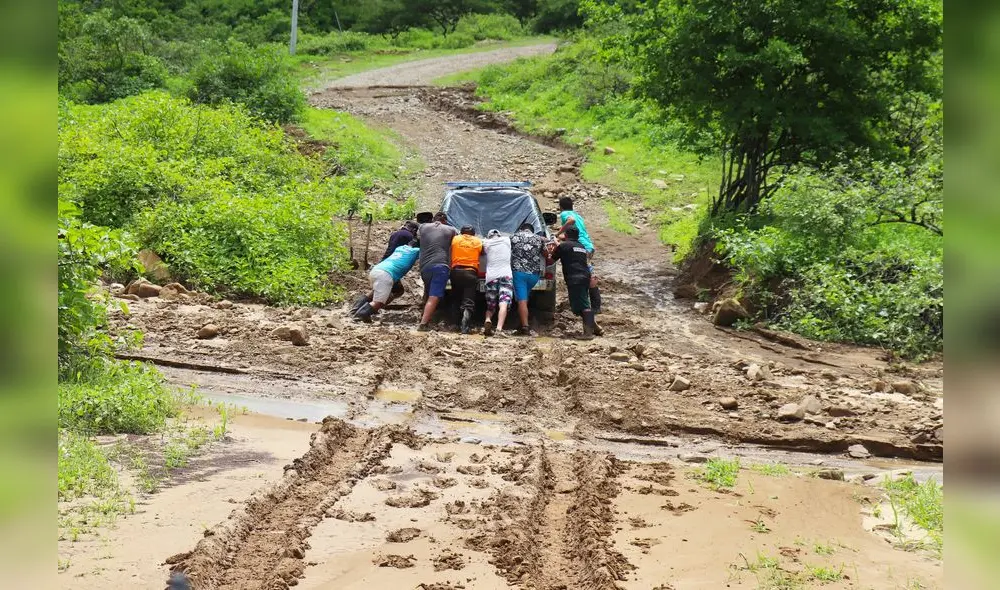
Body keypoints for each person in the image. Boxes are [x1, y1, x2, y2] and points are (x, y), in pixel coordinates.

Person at [351, 220, 418, 316]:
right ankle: (369, 310)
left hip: (384, 263)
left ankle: (356, 309)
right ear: (414, 230)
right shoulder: (409, 236)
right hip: (390, 269)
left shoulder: (395, 234)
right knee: (396, 291)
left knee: (377, 290)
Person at [549, 226, 603, 338]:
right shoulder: (581, 246)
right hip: (585, 276)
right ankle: (595, 328)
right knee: (580, 304)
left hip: (574, 278)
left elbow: (551, 260)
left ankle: (588, 334)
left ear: (566, 235)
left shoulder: (564, 246)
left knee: (583, 305)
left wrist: (548, 251)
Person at [556, 197, 602, 314]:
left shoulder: (565, 214)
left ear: (560, 207)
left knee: (584, 274)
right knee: (587, 272)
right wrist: (560, 237)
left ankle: (590, 307)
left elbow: (570, 221)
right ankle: (593, 305)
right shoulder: (578, 216)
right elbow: (577, 232)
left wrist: (558, 233)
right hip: (588, 245)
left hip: (581, 247)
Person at [354, 240, 420, 322]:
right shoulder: (416, 251)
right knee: (378, 302)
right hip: (386, 275)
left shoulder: (400, 248)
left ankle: (354, 310)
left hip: (377, 269)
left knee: (375, 293)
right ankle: (360, 315)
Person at [416, 212, 458, 331]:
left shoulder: (423, 227)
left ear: (433, 219)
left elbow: (418, 237)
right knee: (435, 295)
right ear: (445, 221)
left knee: (428, 291)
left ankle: (426, 317)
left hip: (424, 267)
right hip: (441, 266)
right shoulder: (451, 230)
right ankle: (423, 324)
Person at [509, 222, 549, 336]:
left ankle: (525, 326)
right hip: (534, 275)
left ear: (521, 229)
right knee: (523, 299)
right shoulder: (539, 239)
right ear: (532, 230)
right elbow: (546, 254)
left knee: (522, 300)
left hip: (519, 273)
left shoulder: (514, 237)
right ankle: (521, 323)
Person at [450, 225, 483, 334]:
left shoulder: (455, 239)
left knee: (456, 298)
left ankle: (454, 324)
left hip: (455, 272)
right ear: (473, 233)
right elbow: (482, 252)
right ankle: (465, 326)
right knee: (468, 300)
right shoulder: (477, 241)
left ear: (461, 232)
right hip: (470, 272)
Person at [481, 229, 514, 337]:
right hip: (506, 276)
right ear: (499, 235)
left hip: (491, 277)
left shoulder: (486, 243)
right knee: (503, 303)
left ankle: (488, 319)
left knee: (491, 305)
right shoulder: (506, 240)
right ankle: (499, 329)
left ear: (489, 236)